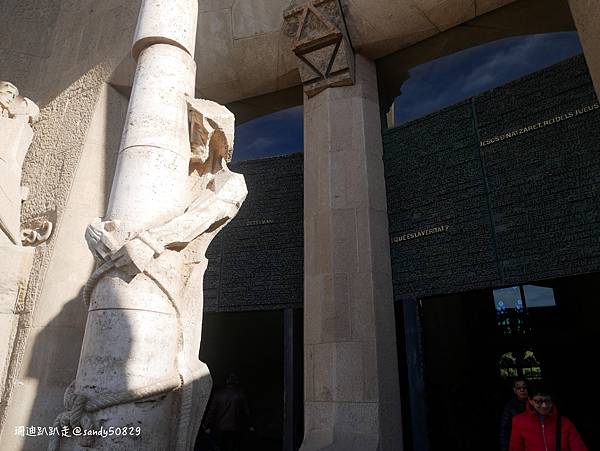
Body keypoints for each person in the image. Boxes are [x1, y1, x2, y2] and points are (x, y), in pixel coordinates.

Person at [509, 382, 588, 451]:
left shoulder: (565, 423)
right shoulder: (519, 421)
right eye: (539, 401)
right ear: (530, 400)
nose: (544, 406)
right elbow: (515, 448)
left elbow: (579, 448)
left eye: (547, 400)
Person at [202, 373, 253, 451]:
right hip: (235, 427)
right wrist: (250, 425)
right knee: (234, 447)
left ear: (226, 381)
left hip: (220, 428)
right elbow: (246, 412)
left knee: (221, 447)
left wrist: (206, 425)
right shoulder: (240, 394)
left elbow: (211, 411)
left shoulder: (219, 394)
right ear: (236, 382)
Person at [500, 377, 529, 451]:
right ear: (514, 390)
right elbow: (505, 429)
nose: (522, 390)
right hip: (518, 442)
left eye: (524, 387)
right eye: (518, 388)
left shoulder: (536, 403)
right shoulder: (510, 406)